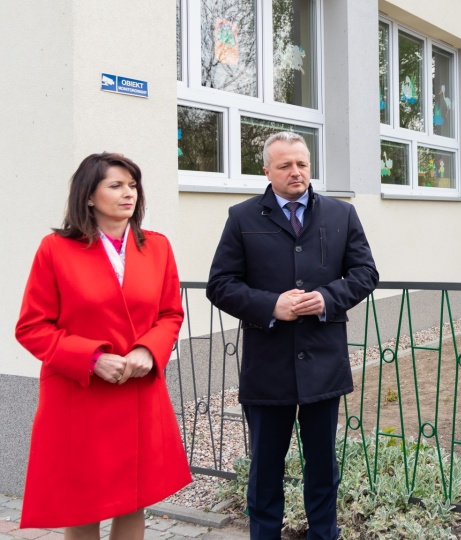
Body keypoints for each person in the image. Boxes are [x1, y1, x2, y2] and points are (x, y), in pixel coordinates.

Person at [207, 132, 378, 539]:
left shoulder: (341, 215)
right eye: (284, 165)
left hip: (323, 363)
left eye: (301, 163)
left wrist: (326, 298)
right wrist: (271, 306)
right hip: (268, 367)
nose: (295, 172)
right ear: (267, 171)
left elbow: (365, 273)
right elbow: (220, 284)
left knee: (323, 469)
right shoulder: (242, 217)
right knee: (265, 470)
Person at [15, 152, 191, 539]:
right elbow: (31, 327)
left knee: (134, 499)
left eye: (132, 186)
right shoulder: (55, 250)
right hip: (80, 397)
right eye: (116, 185)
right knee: (83, 505)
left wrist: (149, 349)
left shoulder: (156, 247)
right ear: (89, 197)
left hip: (138, 393)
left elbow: (170, 314)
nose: (128, 193)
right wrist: (91, 358)